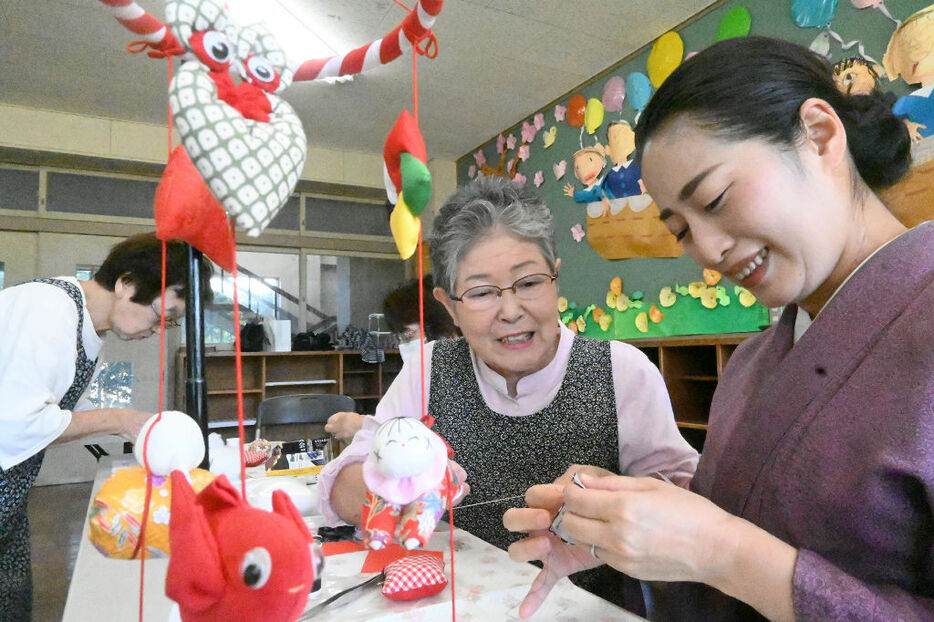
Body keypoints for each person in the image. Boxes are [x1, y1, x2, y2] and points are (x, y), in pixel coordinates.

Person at [504, 36, 929, 621]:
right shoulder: (750, 367)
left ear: (821, 135)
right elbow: (724, 531)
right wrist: (627, 528)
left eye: (716, 197)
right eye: (679, 230)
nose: (707, 250)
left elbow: (726, 547)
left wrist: (718, 551)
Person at [319, 175, 698, 612]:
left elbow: (685, 497)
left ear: (555, 277)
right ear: (448, 306)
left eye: (530, 283)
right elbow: (346, 481)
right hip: (456, 605)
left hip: (594, 607)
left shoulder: (621, 371)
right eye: (481, 293)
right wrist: (394, 486)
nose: (512, 311)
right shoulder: (429, 368)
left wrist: (621, 494)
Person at [0, 233, 213, 620]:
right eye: (163, 315)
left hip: (10, 500)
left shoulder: (89, 332)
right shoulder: (47, 309)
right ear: (127, 284)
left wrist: (140, 430)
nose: (160, 329)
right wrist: (122, 420)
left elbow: (64, 415)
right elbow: (18, 424)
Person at [324, 276, 458, 442]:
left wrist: (362, 426)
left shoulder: (449, 366)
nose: (403, 346)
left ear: (444, 323)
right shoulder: (420, 374)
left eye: (408, 335)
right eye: (399, 339)